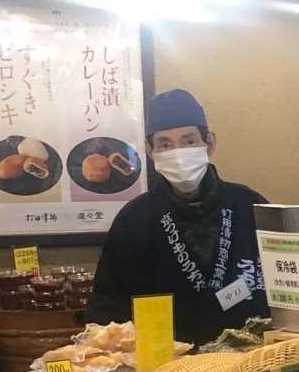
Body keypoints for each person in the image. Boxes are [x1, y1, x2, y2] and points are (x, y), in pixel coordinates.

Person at [86, 89, 270, 344]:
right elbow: (107, 306)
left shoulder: (250, 205)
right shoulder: (134, 219)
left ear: (210, 143)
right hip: (167, 361)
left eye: (189, 141)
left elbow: (288, 284)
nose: (178, 153)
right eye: (165, 145)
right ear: (149, 150)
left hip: (250, 357)